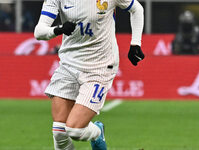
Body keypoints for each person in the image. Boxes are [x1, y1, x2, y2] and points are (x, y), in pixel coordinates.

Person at [34, 0, 145, 149]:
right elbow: (39, 31)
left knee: (74, 129)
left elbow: (136, 9)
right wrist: (58, 30)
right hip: (69, 64)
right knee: (59, 132)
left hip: (99, 66)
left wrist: (135, 43)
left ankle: (97, 133)